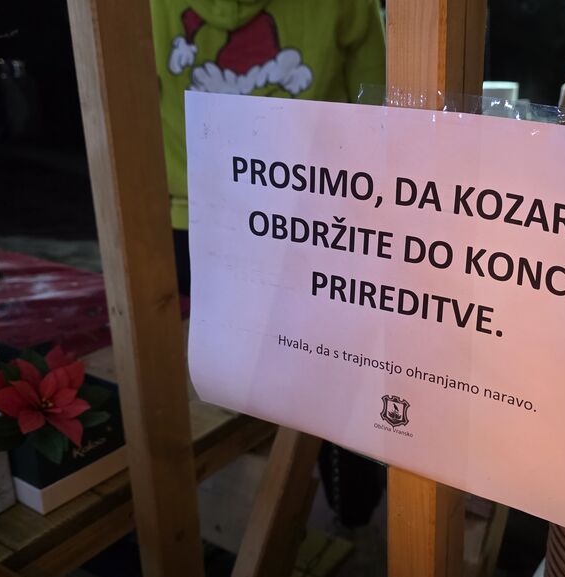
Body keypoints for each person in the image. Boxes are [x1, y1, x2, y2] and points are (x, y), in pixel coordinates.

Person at [150, 0, 388, 529]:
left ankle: (246, 499)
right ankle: (349, 498)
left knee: (224, 369)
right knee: (333, 358)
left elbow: (132, 106)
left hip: (194, 216)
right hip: (311, 217)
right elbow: (379, 107)